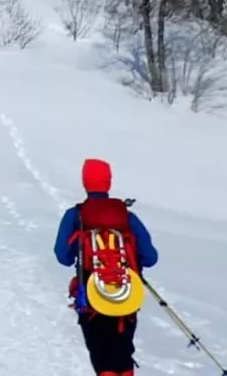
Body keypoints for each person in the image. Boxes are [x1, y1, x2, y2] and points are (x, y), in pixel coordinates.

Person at [53, 159, 158, 376]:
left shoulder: (76, 216)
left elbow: (63, 257)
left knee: (102, 356)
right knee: (122, 352)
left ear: (85, 182)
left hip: (92, 295)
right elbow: (150, 257)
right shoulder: (126, 217)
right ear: (109, 182)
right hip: (126, 295)